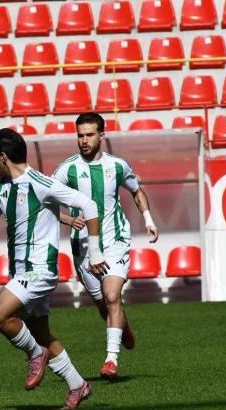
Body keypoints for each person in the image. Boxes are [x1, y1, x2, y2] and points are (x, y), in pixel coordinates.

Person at [0, 128, 107, 410]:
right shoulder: (1, 185)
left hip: (39, 270)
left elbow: (88, 205)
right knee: (41, 333)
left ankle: (34, 354)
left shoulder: (41, 183)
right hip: (20, 272)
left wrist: (96, 252)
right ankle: (78, 385)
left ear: (4, 157)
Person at [53, 112, 159, 380]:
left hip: (115, 241)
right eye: (80, 135)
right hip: (83, 247)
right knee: (104, 305)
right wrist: (68, 219)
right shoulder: (67, 169)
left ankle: (111, 360)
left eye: (89, 135)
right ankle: (122, 326)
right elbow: (45, 201)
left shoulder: (118, 165)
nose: (84, 140)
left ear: (101, 136)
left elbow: (136, 190)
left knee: (111, 296)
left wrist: (148, 219)